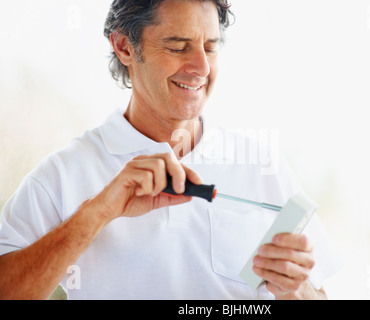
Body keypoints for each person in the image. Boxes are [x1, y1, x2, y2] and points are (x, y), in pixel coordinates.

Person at [0, 0, 338, 300]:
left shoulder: (263, 165)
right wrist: (98, 211)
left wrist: (297, 291)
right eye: (179, 47)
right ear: (124, 46)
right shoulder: (63, 174)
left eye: (211, 46)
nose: (202, 67)